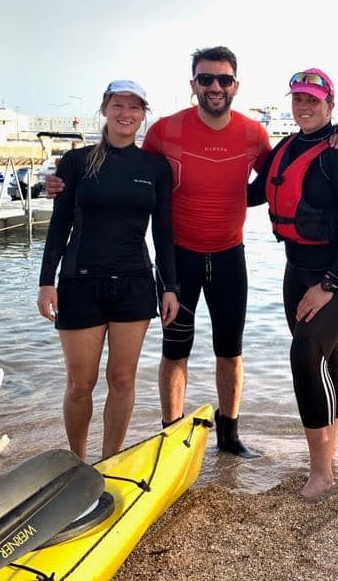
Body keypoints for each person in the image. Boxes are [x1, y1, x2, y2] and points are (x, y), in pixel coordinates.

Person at [46, 47, 271, 458]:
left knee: (230, 350)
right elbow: (125, 176)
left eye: (223, 79)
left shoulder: (254, 134)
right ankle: (171, 433)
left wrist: (240, 195)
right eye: (206, 79)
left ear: (235, 85)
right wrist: (61, 184)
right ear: (193, 85)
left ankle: (230, 435)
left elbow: (276, 181)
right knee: (175, 349)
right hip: (179, 256)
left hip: (228, 255)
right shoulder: (165, 132)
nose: (215, 87)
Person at [247, 68, 338, 499]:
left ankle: (321, 472)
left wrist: (330, 284)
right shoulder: (285, 148)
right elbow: (252, 193)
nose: (304, 106)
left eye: (313, 100)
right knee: (323, 356)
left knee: (304, 355)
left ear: (330, 105)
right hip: (296, 265)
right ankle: (329, 456)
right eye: (298, 98)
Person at [37, 80, 179, 460]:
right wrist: (46, 282)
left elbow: (163, 232)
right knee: (80, 385)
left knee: (122, 380)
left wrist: (170, 287)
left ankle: (110, 459)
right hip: (79, 282)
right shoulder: (77, 162)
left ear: (143, 114)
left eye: (134, 107)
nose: (125, 114)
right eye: (118, 105)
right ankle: (77, 461)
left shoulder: (154, 166)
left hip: (134, 283)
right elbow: (60, 224)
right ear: (105, 109)